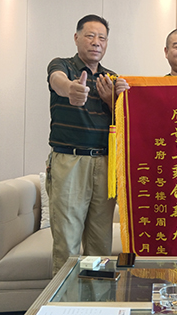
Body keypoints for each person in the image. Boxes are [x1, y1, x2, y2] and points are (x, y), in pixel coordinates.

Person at [46, 14, 129, 274]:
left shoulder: (111, 78)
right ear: (76, 37)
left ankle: (98, 297)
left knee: (100, 243)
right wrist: (71, 89)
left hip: (105, 163)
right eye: (90, 36)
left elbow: (124, 122)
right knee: (67, 243)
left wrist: (112, 100)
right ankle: (65, 298)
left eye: (102, 38)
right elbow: (57, 81)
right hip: (70, 161)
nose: (96, 42)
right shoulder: (63, 65)